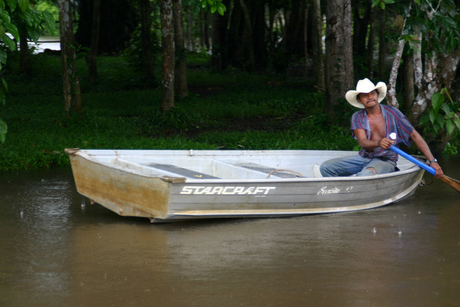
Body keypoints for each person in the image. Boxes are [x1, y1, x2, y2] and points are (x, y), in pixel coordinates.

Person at [320, 78, 444, 178]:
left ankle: (368, 177)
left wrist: (432, 160)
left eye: (372, 93)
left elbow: (415, 136)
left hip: (385, 160)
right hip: (364, 157)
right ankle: (341, 191)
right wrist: (379, 142)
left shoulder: (393, 113)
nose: (370, 97)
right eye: (365, 95)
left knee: (365, 175)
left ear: (377, 95)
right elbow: (362, 142)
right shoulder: (357, 117)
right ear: (359, 100)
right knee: (326, 167)